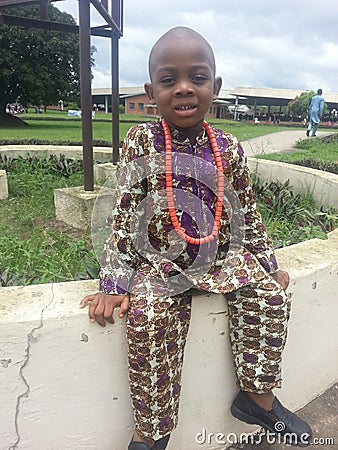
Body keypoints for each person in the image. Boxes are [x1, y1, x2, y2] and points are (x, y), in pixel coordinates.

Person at [80, 26, 312, 450]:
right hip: (162, 262)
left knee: (270, 296)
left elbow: (248, 212)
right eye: (169, 80)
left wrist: (268, 266)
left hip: (220, 257)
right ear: (151, 91)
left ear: (215, 87)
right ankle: (151, 433)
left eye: (197, 78)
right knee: (148, 320)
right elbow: (123, 217)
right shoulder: (142, 143)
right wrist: (114, 285)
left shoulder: (228, 146)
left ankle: (257, 399)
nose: (184, 88)